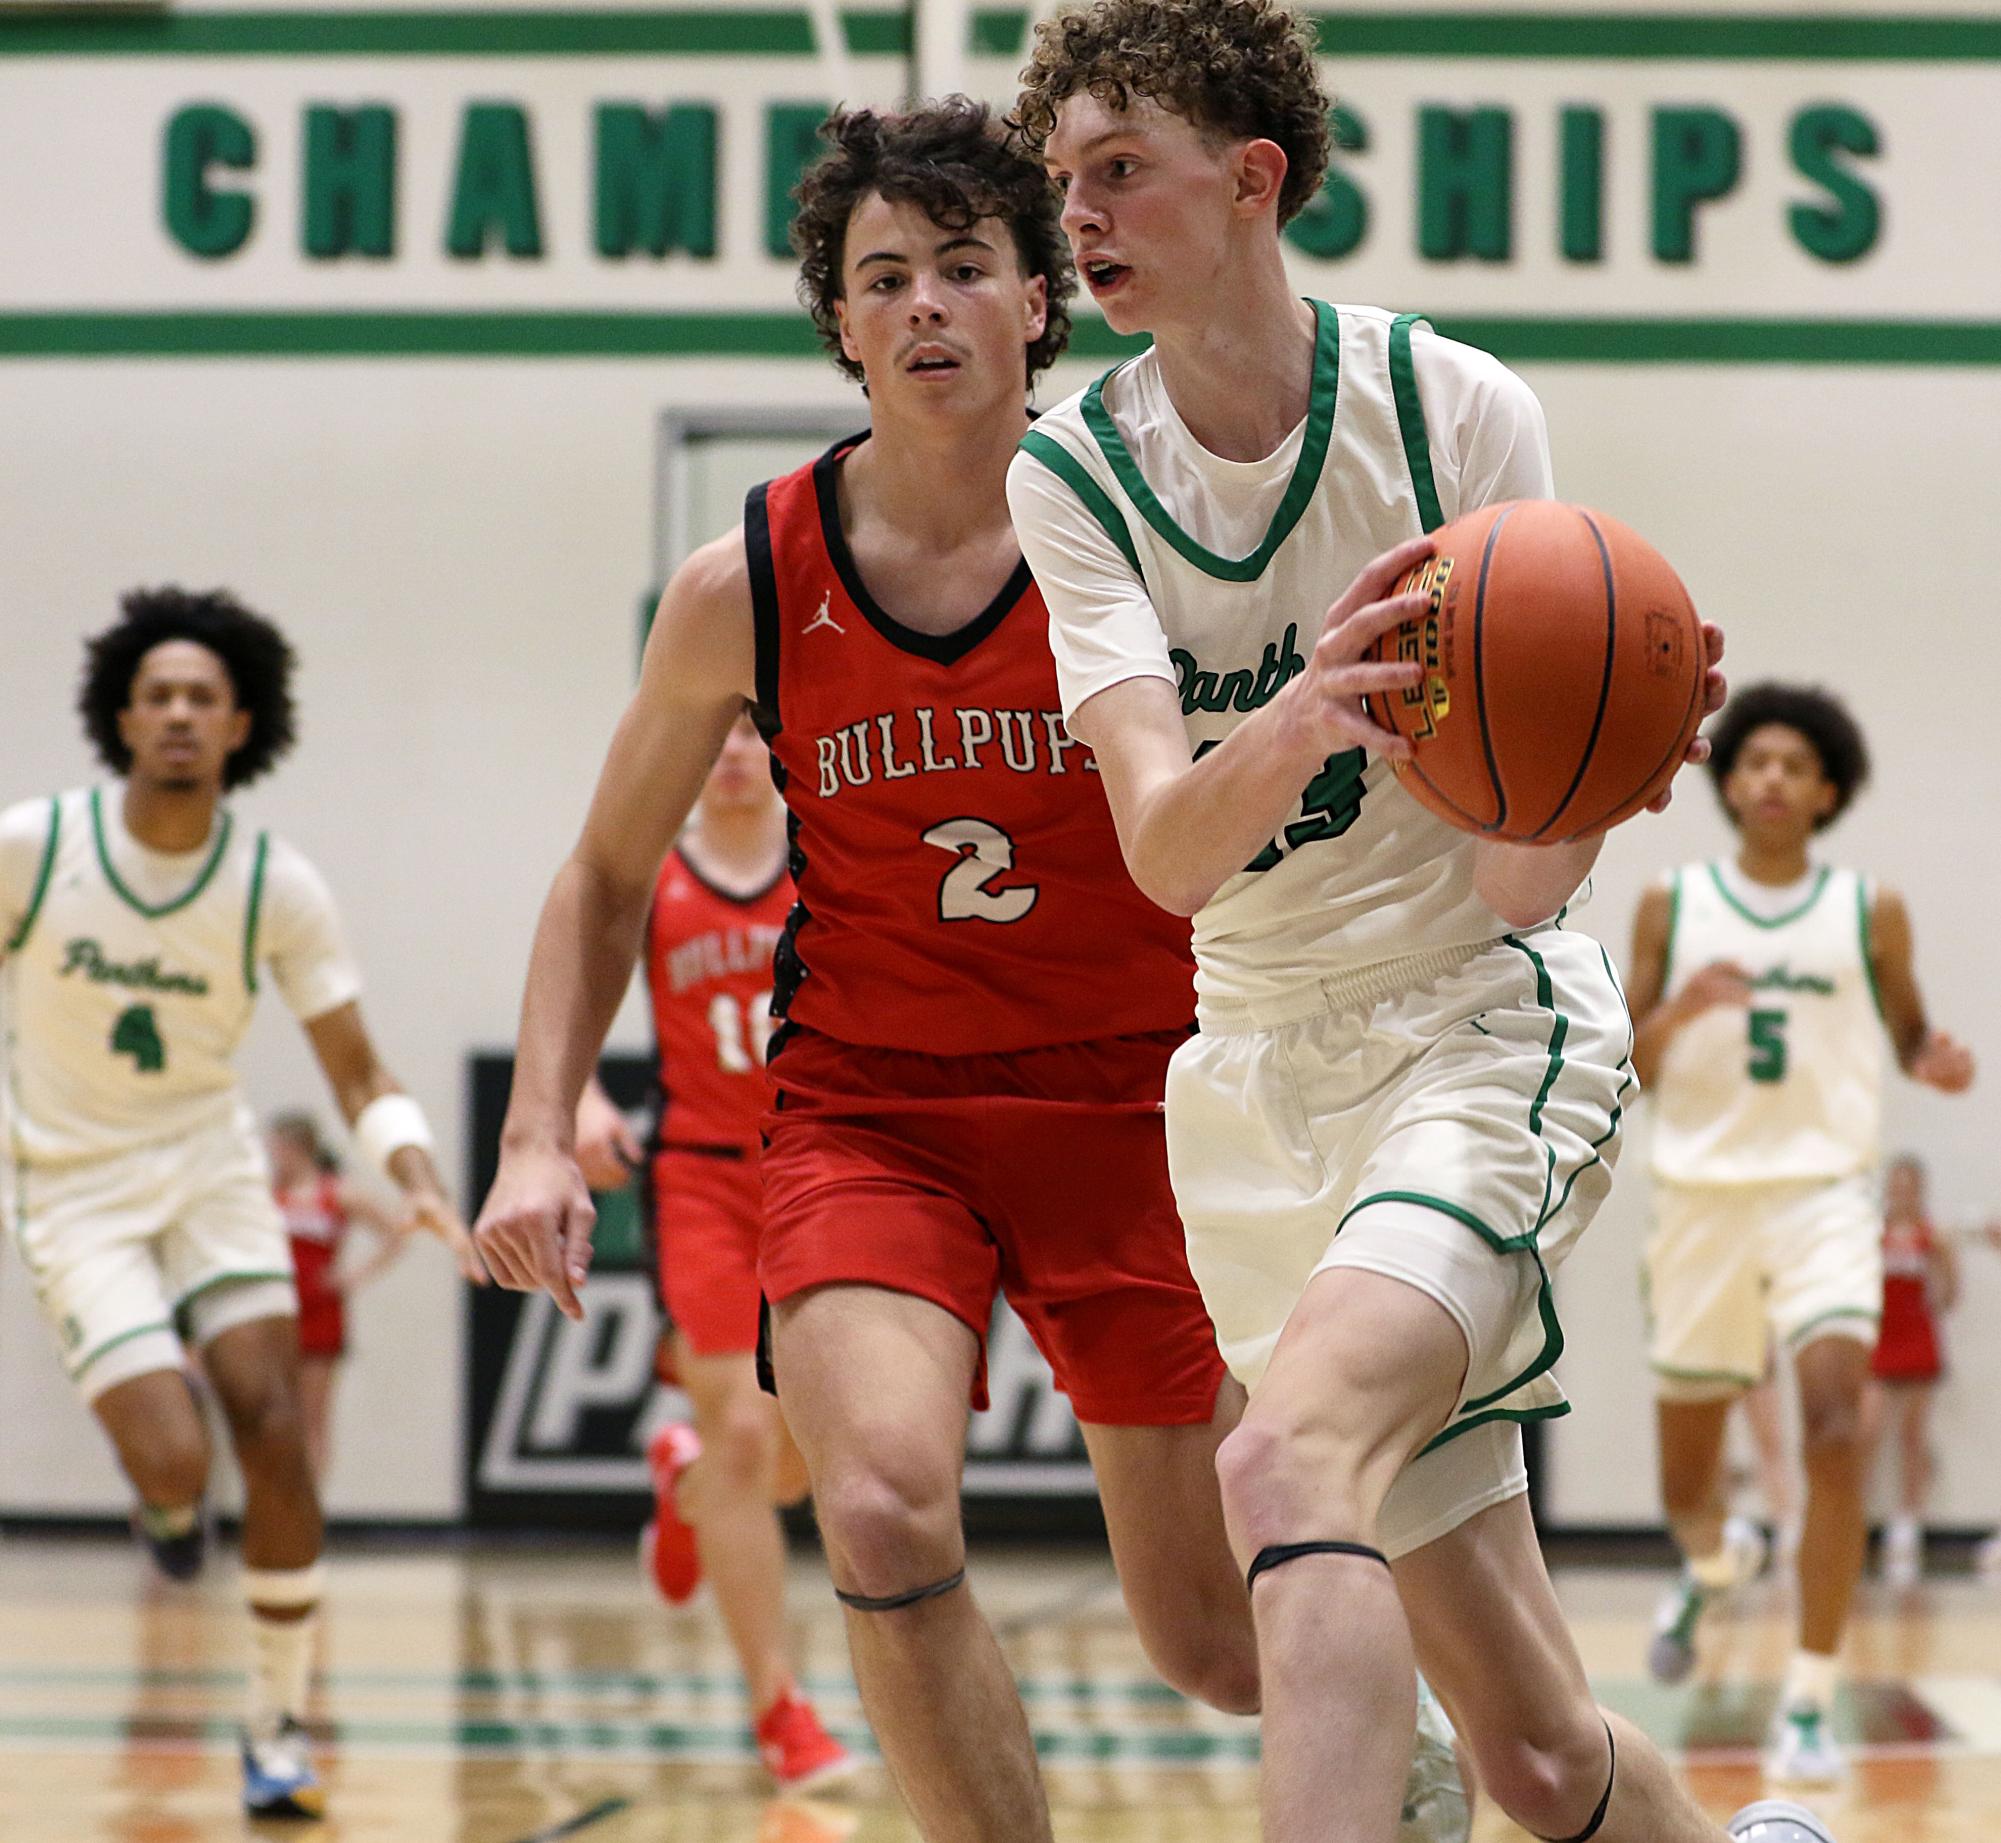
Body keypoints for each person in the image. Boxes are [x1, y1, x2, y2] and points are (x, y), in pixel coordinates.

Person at [475, 100, 1469, 1843]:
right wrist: (539, 1129)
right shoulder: (746, 581)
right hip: (877, 1113)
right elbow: (610, 866)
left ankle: (1425, 1759)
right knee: (876, 1503)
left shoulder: (1144, 532)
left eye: (960, 266)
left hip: (1143, 1105)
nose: (924, 303)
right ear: (838, 322)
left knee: (1205, 1641)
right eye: (882, 277)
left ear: (1037, 299)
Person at [1003, 3, 1827, 1839]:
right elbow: (1159, 848)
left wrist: (1590, 780)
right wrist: (1305, 701)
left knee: (1287, 1461)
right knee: (1534, 1754)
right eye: (1066, 183)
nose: (1084, 216)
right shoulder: (1069, 476)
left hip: (1474, 1023)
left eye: (1120, 171)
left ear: (1253, 179)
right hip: (1249, 1076)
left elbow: (1522, 875)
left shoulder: (1456, 410)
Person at [0, 589, 484, 1820]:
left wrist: (418, 1173)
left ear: (239, 725)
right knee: (176, 1450)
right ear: (120, 714)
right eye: (155, 693)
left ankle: (275, 1724)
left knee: (272, 1418)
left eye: (199, 697)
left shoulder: (274, 882)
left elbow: (360, 1071)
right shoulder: (35, 847)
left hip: (211, 1172)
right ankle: (165, 1501)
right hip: (74, 1185)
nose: (175, 712)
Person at [1626, 681, 1974, 1781]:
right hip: (1699, 1202)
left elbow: (1912, 1031)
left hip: (1826, 1195)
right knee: (1687, 1487)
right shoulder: (1672, 904)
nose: (1772, 777)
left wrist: (1937, 1061)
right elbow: (1626, 1062)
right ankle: (1711, 1562)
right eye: (1755, 760)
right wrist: (1681, 1014)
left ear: (1828, 790)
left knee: (1835, 1427)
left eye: (1795, 764)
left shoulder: (1869, 909)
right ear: (1727, 780)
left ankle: (1812, 1699)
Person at [570, 715, 853, 1790]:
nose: (734, 749)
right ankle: (780, 1707)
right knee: (743, 1431)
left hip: (824, 1164)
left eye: (753, 729)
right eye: (718, 731)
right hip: (700, 1178)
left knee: (790, 1464)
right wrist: (583, 1096)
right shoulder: (647, 870)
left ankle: (681, 1487)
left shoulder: (831, 848)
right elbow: (573, 992)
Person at [267, 1110, 409, 1482]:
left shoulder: (337, 1192)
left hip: (320, 1311)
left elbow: (395, 1231)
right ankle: (280, 1500)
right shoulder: (268, 1194)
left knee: (314, 1415)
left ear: (299, 1149)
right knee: (277, 1416)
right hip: (277, 1311)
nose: (273, 1156)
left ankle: (309, 1508)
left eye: (278, 1148)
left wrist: (353, 1276)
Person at [1861, 1153, 1959, 1588]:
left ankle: (1908, 1527)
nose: (1901, 1193)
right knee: (1867, 1432)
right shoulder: (1871, 1234)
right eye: (1895, 1184)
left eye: (1909, 1185)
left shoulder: (1931, 1236)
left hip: (1918, 1342)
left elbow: (1948, 1292)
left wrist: (1943, 1270)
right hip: (1881, 1343)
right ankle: (1857, 1522)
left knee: (1913, 1438)